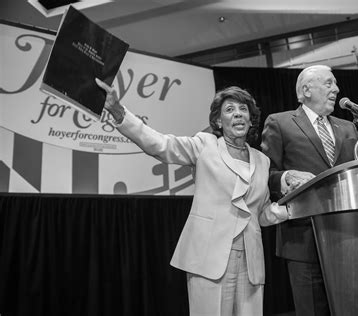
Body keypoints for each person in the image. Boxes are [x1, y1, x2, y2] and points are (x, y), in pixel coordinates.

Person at [95, 80, 289, 316]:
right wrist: (117, 110)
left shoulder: (262, 160)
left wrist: (286, 209)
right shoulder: (204, 146)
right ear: (218, 121)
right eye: (230, 110)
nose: (238, 114)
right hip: (209, 259)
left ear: (250, 120)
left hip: (251, 262)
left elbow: (261, 213)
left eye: (243, 110)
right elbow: (161, 145)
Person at [260, 65, 358, 316]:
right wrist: (286, 178)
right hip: (303, 239)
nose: (337, 88)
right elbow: (263, 176)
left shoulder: (349, 127)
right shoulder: (279, 122)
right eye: (329, 83)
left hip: (351, 237)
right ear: (306, 90)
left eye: (335, 83)